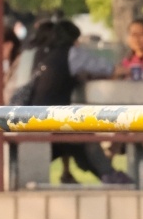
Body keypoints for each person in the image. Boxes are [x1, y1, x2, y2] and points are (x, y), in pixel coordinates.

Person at [24, 19, 132, 186]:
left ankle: (101, 173)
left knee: (76, 135)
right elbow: (104, 67)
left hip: (33, 114)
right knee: (85, 134)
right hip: (50, 118)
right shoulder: (71, 53)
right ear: (73, 38)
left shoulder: (42, 54)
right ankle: (109, 174)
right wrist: (124, 70)